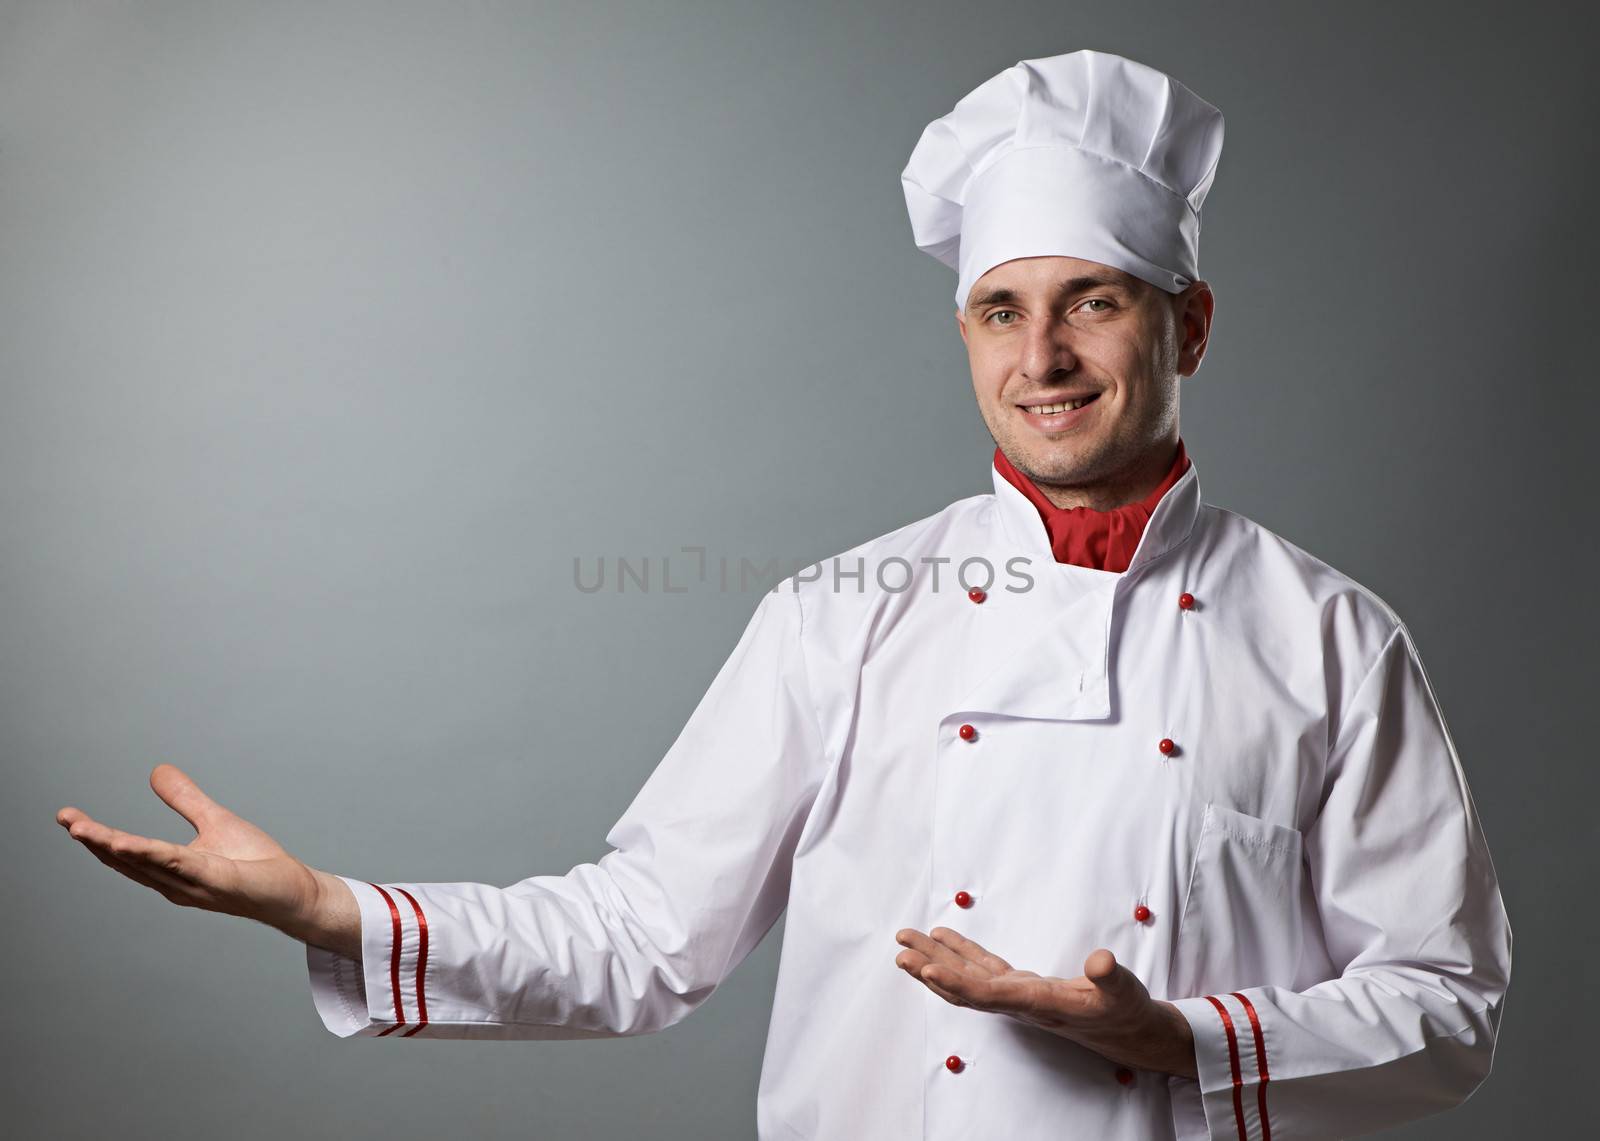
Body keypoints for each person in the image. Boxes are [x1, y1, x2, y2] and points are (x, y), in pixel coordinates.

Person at [55, 48, 1511, 1140]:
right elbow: (639, 935)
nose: (1045, 356)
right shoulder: (846, 612)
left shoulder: (1330, 639)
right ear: (964, 334)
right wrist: (328, 908)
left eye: (1097, 300)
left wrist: (1184, 1035)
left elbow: (1447, 1003)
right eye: (1004, 309)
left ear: (1186, 319)